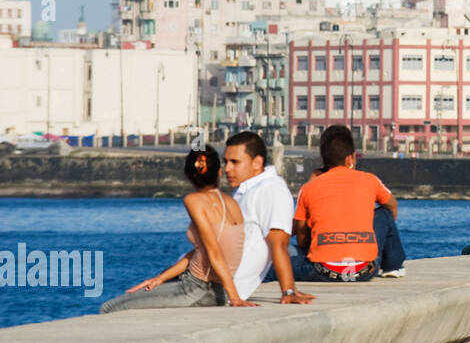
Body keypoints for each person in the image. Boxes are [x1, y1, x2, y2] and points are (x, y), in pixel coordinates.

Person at [101, 146, 253, 311]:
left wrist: (234, 297)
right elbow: (205, 251)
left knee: (109, 307)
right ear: (219, 172)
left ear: (188, 175)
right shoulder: (232, 204)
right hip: (214, 289)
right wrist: (161, 278)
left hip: (197, 289)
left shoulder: (194, 200)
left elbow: (214, 251)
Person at [293, 126, 401, 281]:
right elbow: (393, 205)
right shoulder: (370, 180)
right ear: (350, 158)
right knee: (384, 213)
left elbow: (302, 240)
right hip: (365, 271)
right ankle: (393, 266)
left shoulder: (308, 188)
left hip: (323, 271)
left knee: (283, 254)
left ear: (324, 159)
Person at [223, 131, 316, 304]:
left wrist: (288, 291)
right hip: (205, 277)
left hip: (215, 287)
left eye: (234, 162)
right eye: (226, 162)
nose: (227, 168)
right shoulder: (245, 190)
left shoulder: (271, 190)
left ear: (257, 162)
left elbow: (279, 244)